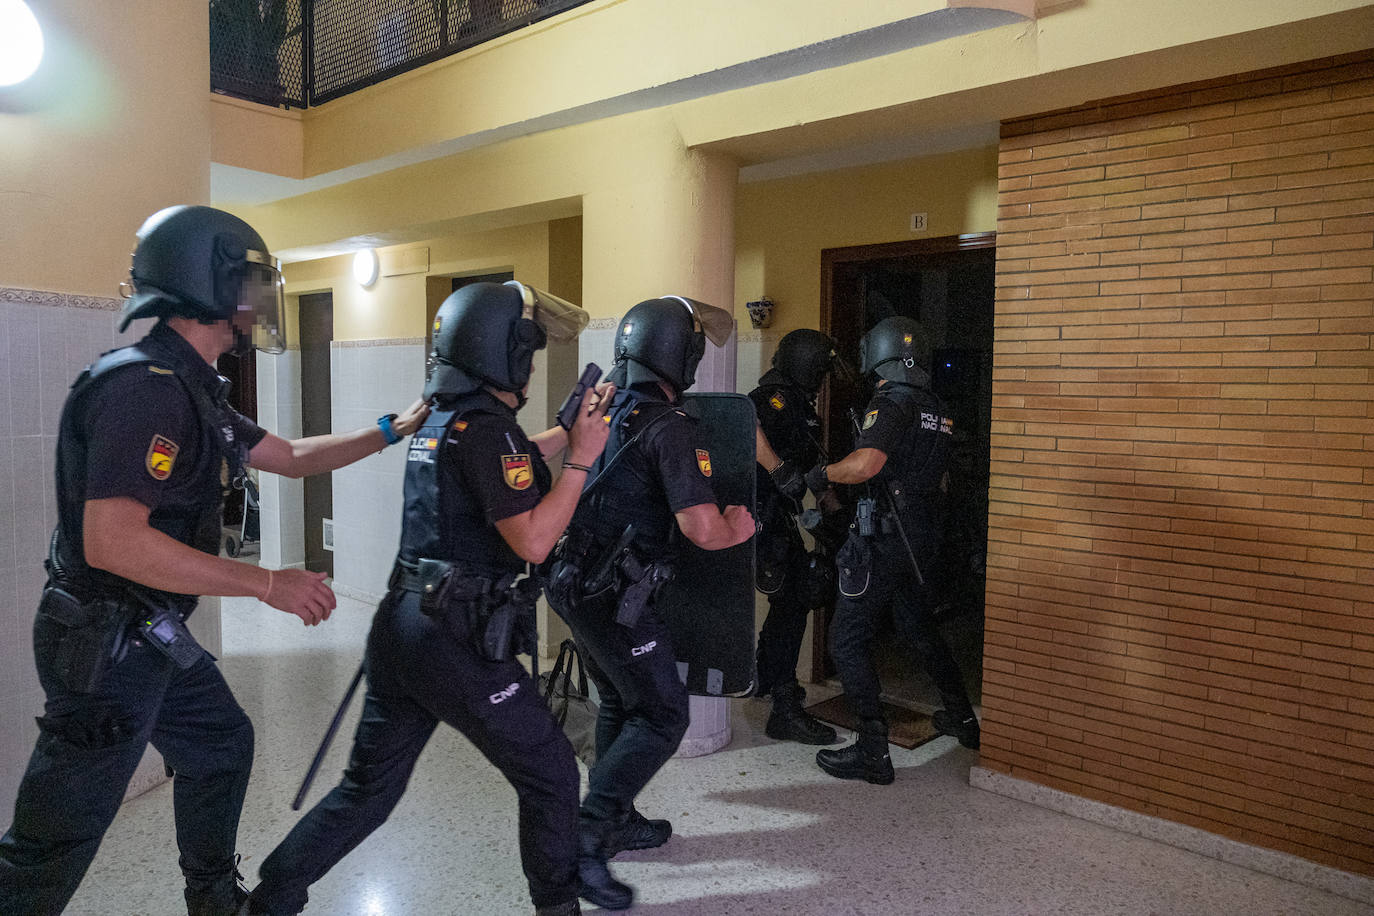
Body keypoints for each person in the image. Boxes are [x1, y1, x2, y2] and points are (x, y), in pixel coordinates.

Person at [0, 205, 430, 916]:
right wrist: (266, 582)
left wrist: (390, 429)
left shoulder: (192, 386)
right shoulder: (144, 390)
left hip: (149, 633)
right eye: (251, 283)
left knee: (221, 743)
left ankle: (212, 899)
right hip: (106, 647)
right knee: (53, 844)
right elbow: (115, 541)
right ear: (211, 285)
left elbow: (291, 456)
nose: (259, 302)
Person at [244, 281, 620, 916]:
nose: (531, 366)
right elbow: (533, 540)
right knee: (552, 772)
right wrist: (582, 461)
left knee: (367, 791)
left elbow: (513, 463)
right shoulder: (490, 430)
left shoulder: (447, 420)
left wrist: (566, 432)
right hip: (457, 640)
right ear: (504, 353)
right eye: (527, 353)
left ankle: (271, 896)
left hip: (405, 627)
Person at [543, 296, 756, 907]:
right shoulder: (670, 426)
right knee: (664, 714)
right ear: (679, 355)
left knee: (619, 697)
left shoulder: (602, 405)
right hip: (615, 594)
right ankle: (589, 836)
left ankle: (617, 818)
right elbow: (702, 530)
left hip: (573, 582)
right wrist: (738, 526)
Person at [809, 316, 980, 786]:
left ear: (878, 354)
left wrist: (822, 475)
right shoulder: (937, 408)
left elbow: (866, 464)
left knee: (847, 640)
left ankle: (872, 750)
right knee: (918, 626)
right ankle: (963, 718)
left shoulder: (891, 402)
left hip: (882, 538)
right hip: (920, 538)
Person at [749, 329, 844, 744]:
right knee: (795, 596)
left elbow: (809, 466)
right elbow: (748, 427)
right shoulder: (771, 400)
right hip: (757, 515)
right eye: (820, 370)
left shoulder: (800, 407)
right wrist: (777, 470)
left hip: (778, 513)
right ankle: (784, 708)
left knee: (791, 598)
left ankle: (766, 677)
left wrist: (833, 509)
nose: (823, 380)